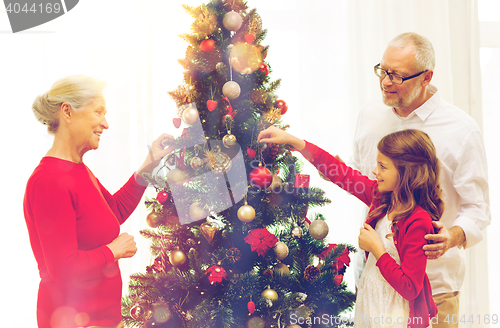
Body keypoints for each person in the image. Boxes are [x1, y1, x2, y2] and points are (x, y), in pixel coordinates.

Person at [349, 32, 490, 328]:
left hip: (433, 292)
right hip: (374, 284)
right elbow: (366, 184)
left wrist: (452, 236)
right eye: (383, 71)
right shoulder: (370, 115)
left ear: (426, 78)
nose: (386, 82)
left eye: (397, 76)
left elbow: (478, 209)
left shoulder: (461, 130)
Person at [24, 75, 175, 328]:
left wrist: (150, 163)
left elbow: (112, 212)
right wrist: (113, 251)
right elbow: (63, 268)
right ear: (67, 112)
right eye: (98, 112)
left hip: (102, 319)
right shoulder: (50, 180)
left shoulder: (78, 170)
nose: (105, 123)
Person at [258, 126, 440, 328]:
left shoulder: (418, 221)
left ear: (406, 172)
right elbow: (341, 173)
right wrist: (297, 143)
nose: (374, 171)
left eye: (383, 166)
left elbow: (410, 288)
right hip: (371, 305)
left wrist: (377, 249)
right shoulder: (380, 198)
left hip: (396, 316)